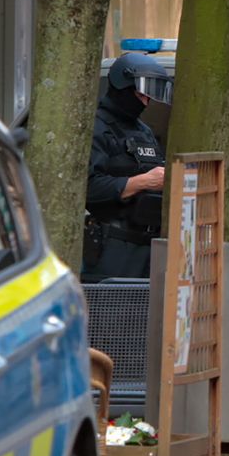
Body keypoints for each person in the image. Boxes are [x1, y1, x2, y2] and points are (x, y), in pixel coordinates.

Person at [83, 52, 170, 283]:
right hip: (112, 247)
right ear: (124, 85)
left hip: (148, 246)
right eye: (142, 92)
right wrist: (142, 182)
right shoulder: (96, 128)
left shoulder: (144, 131)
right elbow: (88, 189)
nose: (146, 101)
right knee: (112, 315)